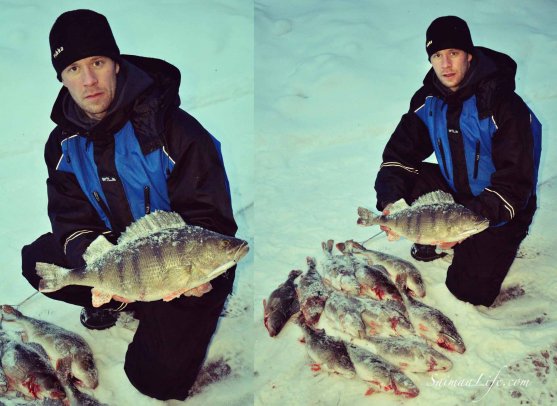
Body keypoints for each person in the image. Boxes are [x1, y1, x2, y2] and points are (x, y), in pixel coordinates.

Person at [21, 9, 238, 401]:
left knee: (154, 380)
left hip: (184, 268)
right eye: (73, 68)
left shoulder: (178, 131)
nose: (88, 80)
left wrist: (187, 279)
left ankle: (158, 309)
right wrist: (99, 256)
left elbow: (211, 219)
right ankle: (123, 300)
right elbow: (68, 217)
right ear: (62, 78)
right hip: (120, 260)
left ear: (116, 65)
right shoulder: (61, 146)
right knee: (36, 260)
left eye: (97, 63)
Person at [374, 16, 541, 307]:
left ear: (469, 56)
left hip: (502, 204)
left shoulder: (504, 105)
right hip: (456, 191)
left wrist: (459, 227)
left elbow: (515, 184)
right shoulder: (428, 100)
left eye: (453, 54)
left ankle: (471, 243)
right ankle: (428, 233)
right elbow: (398, 157)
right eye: (437, 56)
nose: (445, 64)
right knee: (406, 178)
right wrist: (391, 203)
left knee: (468, 291)